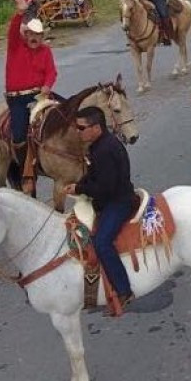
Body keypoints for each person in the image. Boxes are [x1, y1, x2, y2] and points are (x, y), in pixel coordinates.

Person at [60, 106, 136, 313]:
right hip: (109, 197)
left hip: (118, 202)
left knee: (101, 242)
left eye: (81, 127)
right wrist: (79, 184)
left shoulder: (104, 150)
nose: (78, 131)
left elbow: (105, 188)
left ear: (96, 127)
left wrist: (80, 188)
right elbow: (94, 175)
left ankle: (123, 289)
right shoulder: (98, 145)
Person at [5, 0, 58, 188]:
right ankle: (23, 170)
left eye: (38, 35)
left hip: (40, 94)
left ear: (42, 36)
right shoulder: (15, 46)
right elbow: (12, 30)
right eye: (31, 34)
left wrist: (46, 87)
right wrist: (20, 12)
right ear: (25, 34)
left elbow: (52, 72)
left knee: (66, 115)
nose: (35, 38)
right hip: (18, 98)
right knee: (18, 136)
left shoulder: (46, 50)